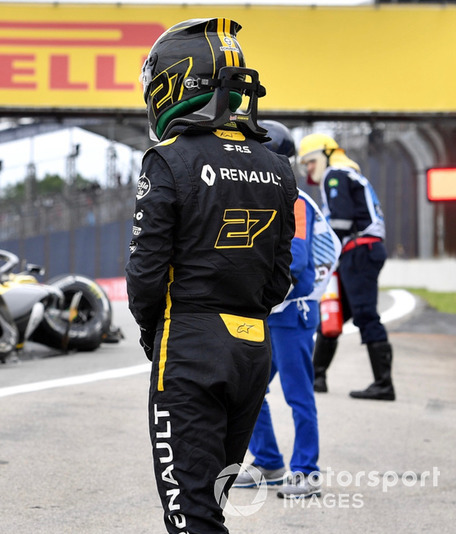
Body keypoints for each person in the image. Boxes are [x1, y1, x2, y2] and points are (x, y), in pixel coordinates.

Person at [126, 19, 298, 533]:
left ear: (174, 81)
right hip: (252, 349)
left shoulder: (167, 160)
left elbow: (145, 274)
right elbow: (278, 278)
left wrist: (153, 331)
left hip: (190, 347)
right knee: (210, 508)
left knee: (189, 515)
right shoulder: (277, 165)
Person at [232, 120, 341, 499]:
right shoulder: (265, 196)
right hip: (270, 310)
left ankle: (306, 471)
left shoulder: (294, 200)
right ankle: (269, 462)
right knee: (250, 389)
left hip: (293, 312)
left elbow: (295, 262)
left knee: (298, 394)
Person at [298, 133, 396, 401]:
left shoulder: (335, 174)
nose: (308, 168)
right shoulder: (348, 174)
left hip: (358, 250)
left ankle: (384, 384)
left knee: (365, 314)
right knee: (335, 314)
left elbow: (339, 222)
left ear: (325, 154)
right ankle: (317, 377)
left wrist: (319, 253)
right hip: (361, 249)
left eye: (310, 161)